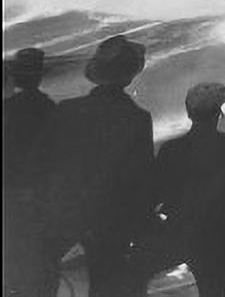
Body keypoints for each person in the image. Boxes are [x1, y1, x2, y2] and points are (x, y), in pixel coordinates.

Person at [39, 35, 154, 297]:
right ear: (129, 76)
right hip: (110, 217)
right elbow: (142, 177)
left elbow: (42, 162)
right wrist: (142, 221)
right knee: (105, 285)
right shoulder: (137, 118)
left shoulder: (67, 109)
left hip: (64, 211)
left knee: (43, 281)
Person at [150, 83, 225, 297]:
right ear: (218, 114)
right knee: (218, 291)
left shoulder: (171, 150)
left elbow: (156, 192)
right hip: (220, 236)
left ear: (189, 113)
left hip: (180, 232)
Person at [3, 48, 57, 297]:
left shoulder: (8, 109)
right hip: (42, 198)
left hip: (10, 195)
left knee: (14, 259)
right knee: (40, 262)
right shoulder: (51, 109)